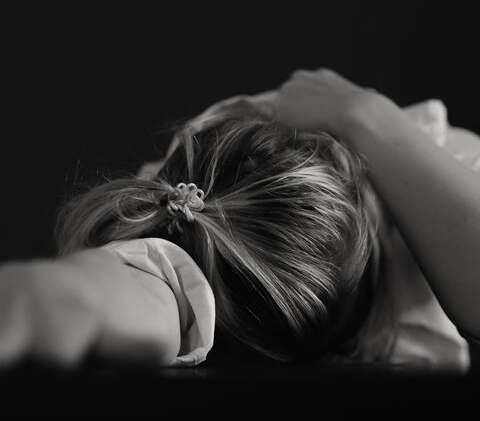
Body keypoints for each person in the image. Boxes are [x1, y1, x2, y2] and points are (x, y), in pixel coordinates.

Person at [1, 68, 479, 372]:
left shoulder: (431, 166)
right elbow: (151, 284)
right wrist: (65, 292)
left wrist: (368, 116)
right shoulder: (190, 226)